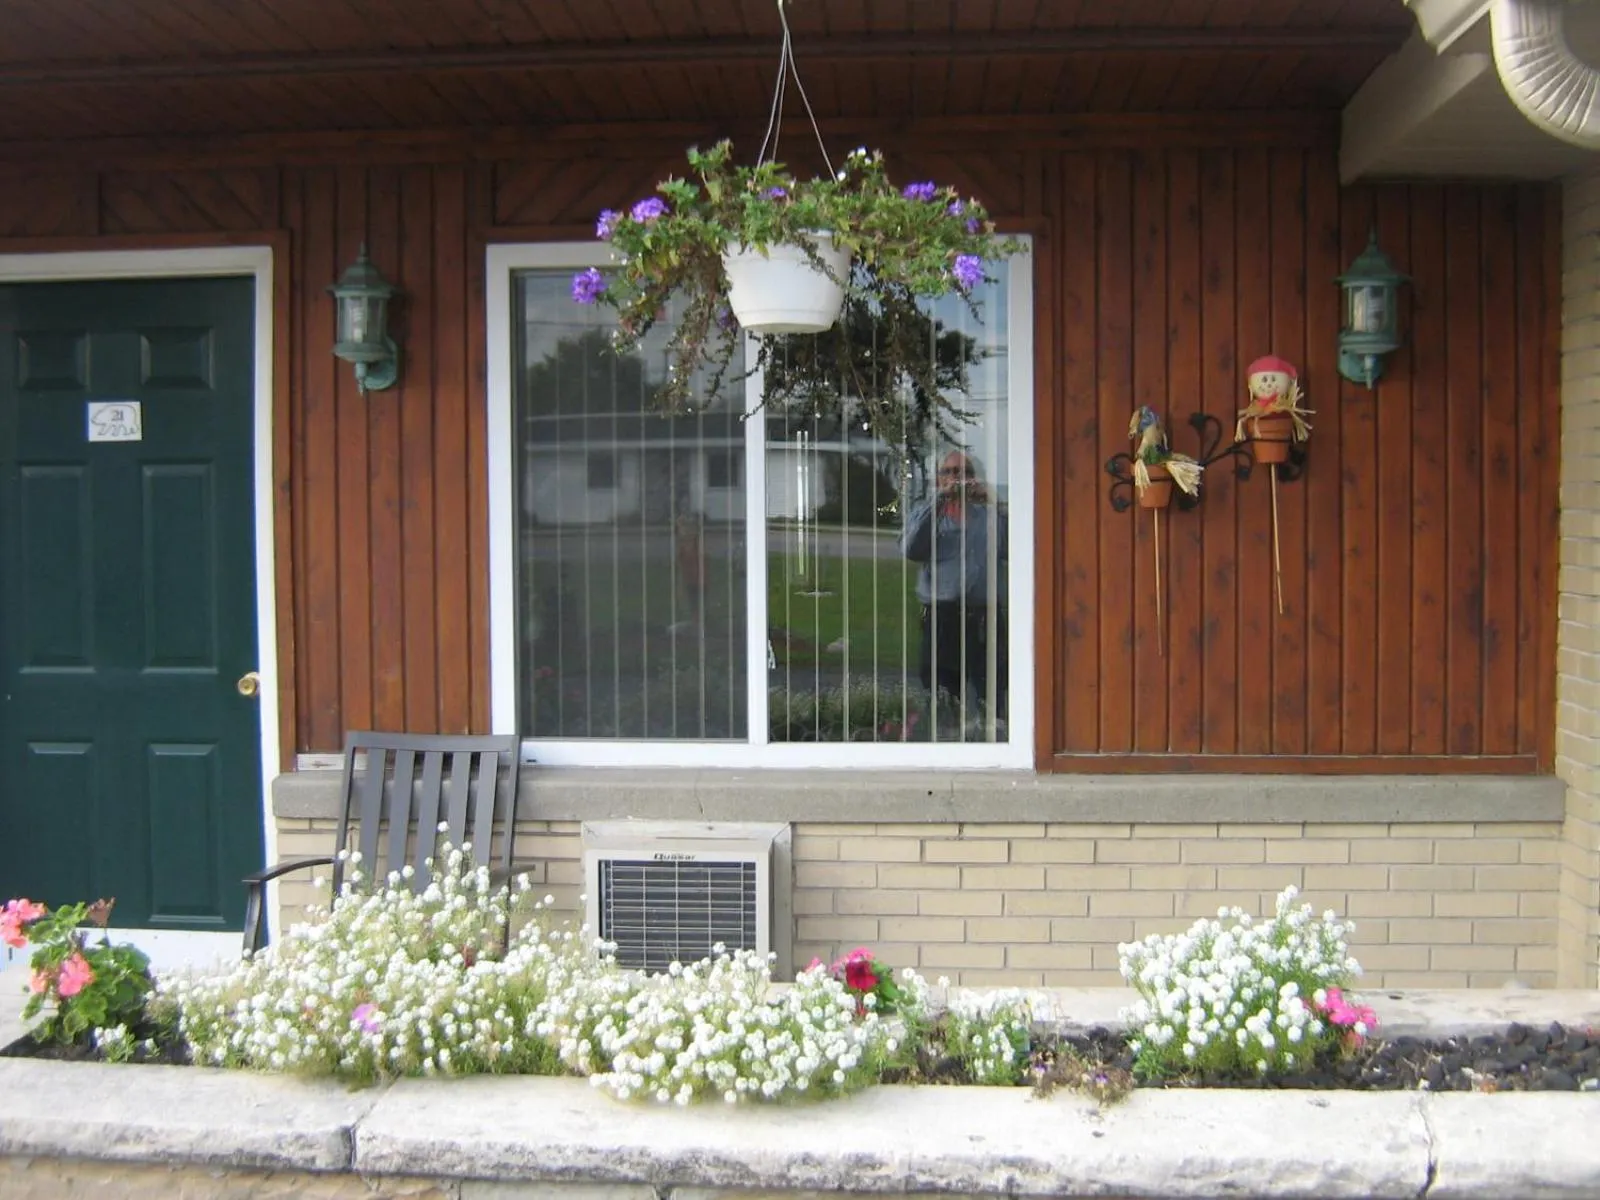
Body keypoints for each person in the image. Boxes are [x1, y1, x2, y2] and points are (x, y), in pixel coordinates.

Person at [900, 450, 1008, 722]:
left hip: (986, 618)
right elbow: (911, 548)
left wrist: (996, 502)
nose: (956, 478)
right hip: (942, 618)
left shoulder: (989, 515)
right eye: (948, 472)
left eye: (963, 472)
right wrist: (940, 501)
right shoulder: (925, 513)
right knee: (943, 700)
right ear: (938, 479)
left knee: (992, 695)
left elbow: (1019, 546)